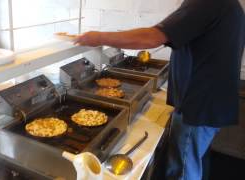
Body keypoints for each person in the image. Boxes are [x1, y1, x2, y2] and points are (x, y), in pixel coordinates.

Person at [75, 0, 245, 179]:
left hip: (198, 107)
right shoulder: (229, 5)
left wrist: (99, 37)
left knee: (184, 167)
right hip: (209, 103)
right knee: (191, 159)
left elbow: (152, 37)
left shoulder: (207, 3)